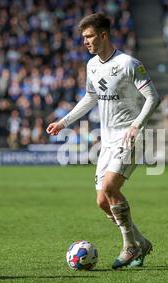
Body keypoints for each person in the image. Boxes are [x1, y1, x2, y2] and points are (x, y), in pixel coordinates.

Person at [46, 13, 160, 269]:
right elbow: (90, 98)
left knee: (110, 188)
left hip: (130, 136)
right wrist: (63, 122)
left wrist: (135, 125)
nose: (85, 41)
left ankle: (129, 246)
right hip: (107, 141)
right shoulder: (92, 65)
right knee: (101, 201)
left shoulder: (128, 63)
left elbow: (154, 98)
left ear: (103, 35)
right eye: (83, 37)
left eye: (89, 36)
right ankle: (140, 242)